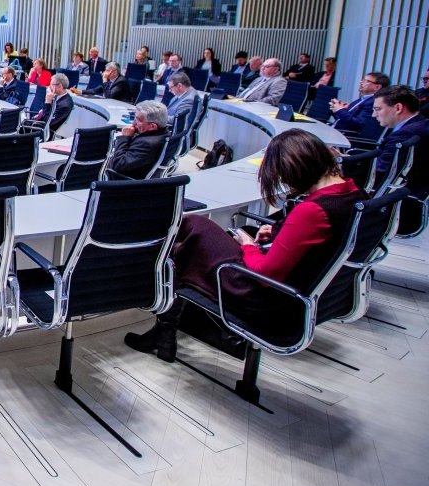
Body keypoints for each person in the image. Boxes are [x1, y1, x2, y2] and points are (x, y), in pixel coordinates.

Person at [124, 129, 365, 362]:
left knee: (192, 227)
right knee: (190, 243)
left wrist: (248, 244)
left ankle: (162, 323)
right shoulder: (354, 194)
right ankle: (165, 329)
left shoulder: (313, 211)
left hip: (261, 296)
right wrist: (281, 232)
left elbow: (264, 273)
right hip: (299, 289)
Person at [372, 86, 429, 199]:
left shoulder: (405, 134)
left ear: (398, 108)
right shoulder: (421, 123)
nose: (373, 115)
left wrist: (343, 162)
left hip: (398, 197)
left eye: (378, 109)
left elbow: (380, 171)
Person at [107, 100, 169, 179]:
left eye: (138, 120)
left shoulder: (146, 144)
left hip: (122, 180)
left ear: (153, 126)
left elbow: (117, 164)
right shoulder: (163, 133)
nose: (133, 123)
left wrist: (125, 137)